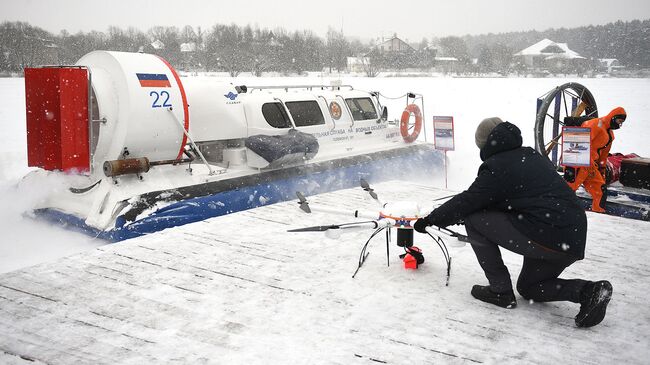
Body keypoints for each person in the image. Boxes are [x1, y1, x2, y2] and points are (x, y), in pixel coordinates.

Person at [413, 117, 612, 328]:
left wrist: (430, 220)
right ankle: (589, 292)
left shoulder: (497, 168)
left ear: (484, 143)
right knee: (530, 288)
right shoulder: (529, 155)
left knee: (473, 218)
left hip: (548, 232)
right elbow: (511, 197)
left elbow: (468, 201)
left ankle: (500, 291)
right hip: (571, 235)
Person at [565, 107, 627, 213]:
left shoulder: (610, 135)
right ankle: (559, 211)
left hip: (590, 166)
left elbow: (603, 155)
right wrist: (571, 167)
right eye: (619, 121)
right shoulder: (594, 124)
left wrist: (601, 170)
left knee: (600, 191)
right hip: (578, 161)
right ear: (613, 117)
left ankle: (598, 213)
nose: (619, 125)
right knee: (568, 190)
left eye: (621, 123)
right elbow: (577, 141)